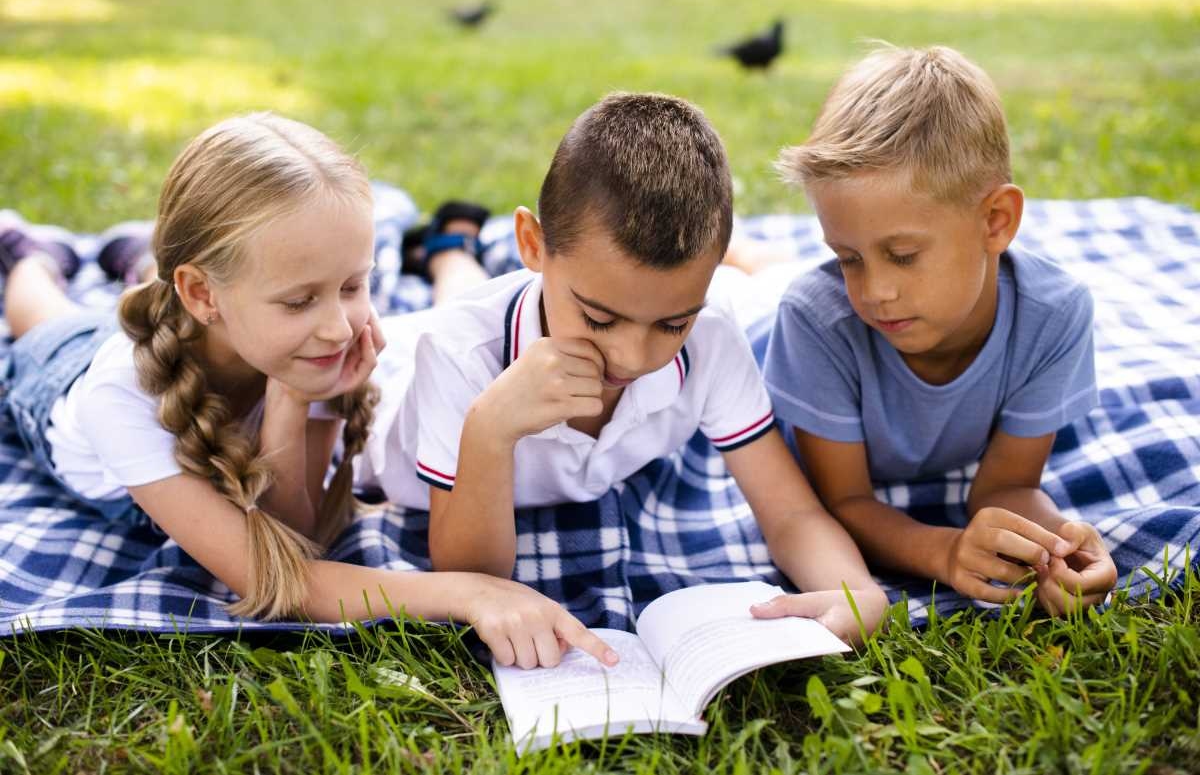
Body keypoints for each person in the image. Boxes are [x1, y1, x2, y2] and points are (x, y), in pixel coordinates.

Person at [0, 112, 617, 669]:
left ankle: (139, 260)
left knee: (170, 292)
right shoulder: (118, 397)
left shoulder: (313, 343)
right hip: (62, 376)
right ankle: (25, 252)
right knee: (46, 314)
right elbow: (279, 580)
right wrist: (470, 592)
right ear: (202, 294)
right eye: (300, 299)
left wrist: (293, 399)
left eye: (354, 285)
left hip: (203, 313)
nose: (340, 324)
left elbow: (295, 530)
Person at [359, 92, 890, 646]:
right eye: (598, 319)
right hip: (398, 390)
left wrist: (855, 589)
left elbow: (790, 513)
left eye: (671, 324)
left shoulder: (711, 338)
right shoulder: (458, 354)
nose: (634, 358)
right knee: (446, 309)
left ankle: (462, 249)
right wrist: (491, 429)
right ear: (532, 243)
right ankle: (451, 249)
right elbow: (473, 576)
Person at [762, 45, 1117, 616]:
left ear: (995, 221)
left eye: (902, 255)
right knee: (754, 289)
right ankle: (751, 259)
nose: (874, 291)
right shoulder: (815, 318)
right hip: (768, 329)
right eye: (848, 257)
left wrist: (1058, 548)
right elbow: (845, 502)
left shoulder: (1055, 315)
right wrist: (945, 551)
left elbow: (1003, 489)